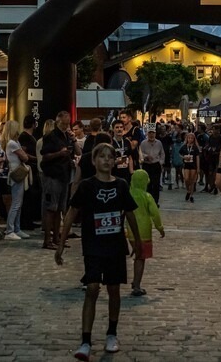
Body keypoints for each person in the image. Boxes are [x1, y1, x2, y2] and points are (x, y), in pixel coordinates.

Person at [55, 143, 142, 361]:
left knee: (114, 289)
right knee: (92, 288)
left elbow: (130, 214)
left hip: (115, 245)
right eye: (101, 157)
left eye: (110, 157)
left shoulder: (121, 185)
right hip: (93, 245)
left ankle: (112, 333)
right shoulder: (87, 186)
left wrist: (137, 242)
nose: (106, 160)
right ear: (94, 161)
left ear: (115, 161)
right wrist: (61, 242)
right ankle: (85, 339)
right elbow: (72, 213)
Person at [126, 169, 164, 297]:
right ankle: (136, 284)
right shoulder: (147, 196)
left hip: (130, 232)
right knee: (140, 258)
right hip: (144, 233)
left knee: (137, 255)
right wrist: (160, 228)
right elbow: (155, 214)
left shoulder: (128, 194)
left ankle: (135, 282)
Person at [40, 111, 74, 249]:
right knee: (51, 208)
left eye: (67, 123)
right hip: (53, 175)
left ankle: (56, 238)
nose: (66, 126)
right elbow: (45, 156)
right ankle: (47, 239)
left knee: (60, 208)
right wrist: (60, 154)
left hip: (63, 174)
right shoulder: (50, 136)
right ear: (57, 121)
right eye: (64, 123)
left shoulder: (66, 136)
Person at [2, 120, 30, 241]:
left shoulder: (11, 143)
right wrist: (23, 153)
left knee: (18, 202)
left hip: (16, 172)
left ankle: (16, 228)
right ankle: (10, 230)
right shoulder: (13, 143)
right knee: (16, 203)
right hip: (16, 174)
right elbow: (24, 157)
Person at [19, 115, 42, 231]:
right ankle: (26, 221)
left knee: (32, 195)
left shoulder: (30, 137)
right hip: (29, 168)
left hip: (32, 168)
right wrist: (36, 158)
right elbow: (24, 153)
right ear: (33, 124)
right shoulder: (24, 137)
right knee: (28, 194)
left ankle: (29, 219)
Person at [138, 126, 165, 205]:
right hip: (147, 165)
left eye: (153, 133)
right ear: (147, 134)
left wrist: (160, 162)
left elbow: (162, 154)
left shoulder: (159, 143)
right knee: (148, 184)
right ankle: (147, 201)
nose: (151, 135)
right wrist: (146, 156)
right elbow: (140, 153)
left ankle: (155, 202)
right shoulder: (143, 143)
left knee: (156, 184)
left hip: (156, 165)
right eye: (150, 133)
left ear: (155, 134)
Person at [179, 130, 201, 202]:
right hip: (186, 164)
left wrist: (198, 168)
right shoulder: (184, 146)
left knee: (192, 181)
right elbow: (180, 154)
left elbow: (197, 157)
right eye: (189, 138)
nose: (190, 139)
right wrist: (184, 157)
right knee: (186, 178)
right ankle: (188, 190)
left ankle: (191, 195)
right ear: (187, 138)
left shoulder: (195, 147)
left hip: (193, 165)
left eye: (192, 138)